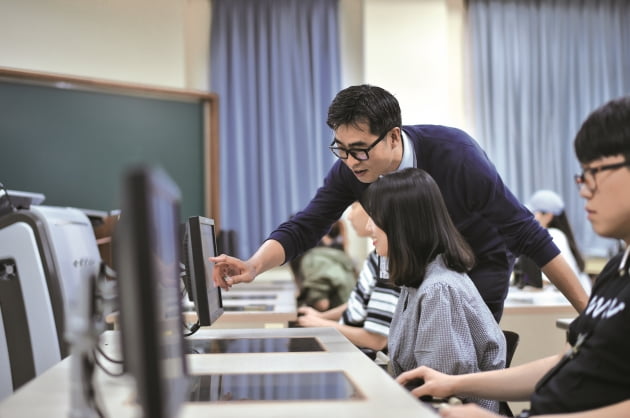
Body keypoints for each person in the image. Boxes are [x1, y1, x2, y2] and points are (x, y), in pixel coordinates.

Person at [211, 84, 588, 321]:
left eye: (359, 150)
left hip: (479, 261)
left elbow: (528, 234)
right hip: (415, 267)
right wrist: (254, 265)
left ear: (393, 136)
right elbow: (305, 226)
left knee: (465, 355)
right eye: (340, 150)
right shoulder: (350, 170)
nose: (350, 161)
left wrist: (589, 314)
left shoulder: (456, 156)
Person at [396, 96, 630, 417]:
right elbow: (568, 362)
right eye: (582, 174)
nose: (584, 189)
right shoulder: (616, 271)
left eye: (595, 171)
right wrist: (452, 383)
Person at [362, 168, 506, 412]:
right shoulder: (417, 281)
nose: (368, 227)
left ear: (401, 224)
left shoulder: (438, 290)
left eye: (375, 218)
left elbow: (438, 394)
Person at [296, 201, 401, 358]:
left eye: (353, 207)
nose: (350, 216)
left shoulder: (387, 262)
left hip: (365, 354)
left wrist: (322, 324)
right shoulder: (377, 256)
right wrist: (321, 317)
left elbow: (376, 340)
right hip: (351, 343)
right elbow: (359, 304)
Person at [526, 189, 591, 293]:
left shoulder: (553, 236)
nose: (529, 218)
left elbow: (544, 281)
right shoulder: (558, 235)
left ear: (548, 216)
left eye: (533, 213)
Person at [289, 222, 356, 311]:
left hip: (341, 316)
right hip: (351, 310)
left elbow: (322, 304)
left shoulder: (313, 260)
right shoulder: (339, 256)